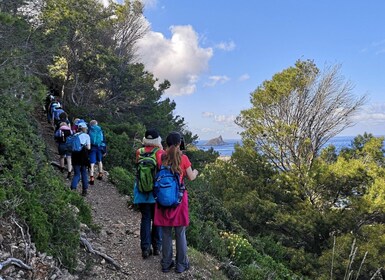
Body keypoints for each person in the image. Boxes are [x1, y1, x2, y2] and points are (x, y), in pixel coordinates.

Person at [154, 132, 198, 273]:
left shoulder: (161, 157)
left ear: (166, 143)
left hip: (162, 200)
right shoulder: (183, 158)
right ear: (180, 144)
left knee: (166, 233)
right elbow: (191, 177)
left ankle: (166, 263)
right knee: (180, 233)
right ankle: (181, 264)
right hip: (178, 200)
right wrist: (196, 171)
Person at [134, 129, 163, 259]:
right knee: (157, 219)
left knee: (145, 219)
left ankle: (145, 248)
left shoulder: (139, 152)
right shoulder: (159, 153)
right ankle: (157, 247)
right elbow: (162, 170)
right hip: (155, 193)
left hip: (141, 191)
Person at [70, 121, 91, 196]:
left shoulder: (74, 135)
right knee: (84, 173)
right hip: (83, 155)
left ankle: (73, 188)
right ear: (85, 128)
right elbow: (89, 147)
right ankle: (84, 190)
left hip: (75, 155)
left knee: (76, 174)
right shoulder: (87, 136)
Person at [88, 120, 106, 185]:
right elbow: (103, 140)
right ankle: (100, 174)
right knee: (99, 161)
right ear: (96, 124)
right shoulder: (100, 130)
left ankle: (91, 178)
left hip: (92, 147)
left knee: (92, 163)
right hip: (100, 147)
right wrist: (104, 150)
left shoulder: (89, 130)